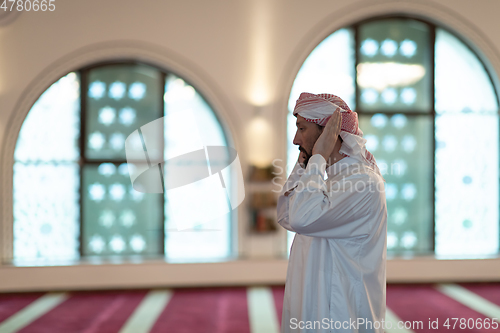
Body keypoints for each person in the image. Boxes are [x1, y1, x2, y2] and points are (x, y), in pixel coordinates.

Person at [277, 92, 387, 333]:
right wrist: (308, 162)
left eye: (302, 128)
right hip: (314, 305)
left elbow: (301, 218)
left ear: (328, 133)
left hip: (340, 315)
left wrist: (317, 156)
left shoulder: (363, 183)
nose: (295, 139)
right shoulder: (327, 179)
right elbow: (286, 214)